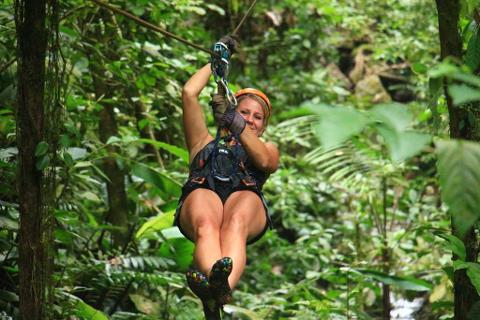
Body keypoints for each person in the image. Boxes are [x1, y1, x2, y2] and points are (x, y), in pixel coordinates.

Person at [174, 38, 279, 317]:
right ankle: (214, 284)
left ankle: (222, 289)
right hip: (204, 194)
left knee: (235, 221)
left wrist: (236, 121)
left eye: (258, 117)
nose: (251, 119)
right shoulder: (202, 142)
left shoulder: (267, 149)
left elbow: (267, 162)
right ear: (230, 110)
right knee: (207, 223)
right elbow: (189, 93)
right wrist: (218, 62)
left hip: (243, 201)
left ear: (263, 126)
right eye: (244, 112)